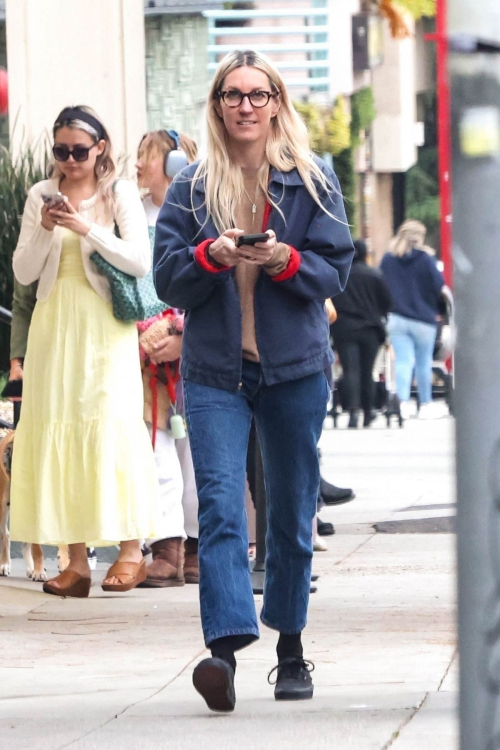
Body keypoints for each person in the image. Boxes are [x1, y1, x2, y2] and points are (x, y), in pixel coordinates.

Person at [154, 50, 354, 712]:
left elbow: (334, 271)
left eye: (258, 94)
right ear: (216, 106)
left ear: (276, 103)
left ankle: (291, 648)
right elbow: (166, 276)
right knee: (217, 504)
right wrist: (207, 258)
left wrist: (285, 259)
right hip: (213, 370)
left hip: (294, 368)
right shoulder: (190, 188)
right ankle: (223, 650)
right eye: (232, 95)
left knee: (292, 510)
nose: (246, 105)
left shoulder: (312, 179)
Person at [10, 105, 165, 597]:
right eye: (61, 151)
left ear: (100, 148)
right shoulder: (41, 195)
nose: (70, 160)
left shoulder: (117, 192)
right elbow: (24, 272)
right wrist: (48, 227)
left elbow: (140, 261)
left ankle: (130, 550)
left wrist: (85, 229)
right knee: (58, 423)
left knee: (111, 423)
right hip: (53, 323)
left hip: (103, 326)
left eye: (79, 150)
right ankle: (75, 560)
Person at [135, 129, 200, 586]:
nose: (139, 166)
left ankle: (197, 548)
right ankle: (166, 544)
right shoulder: (132, 214)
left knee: (195, 456)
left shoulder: (200, 210)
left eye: (148, 157)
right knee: (156, 449)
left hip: (194, 347)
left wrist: (180, 328)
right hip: (145, 352)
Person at [380, 220, 445, 420]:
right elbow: (439, 285)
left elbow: (380, 284)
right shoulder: (426, 259)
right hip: (424, 319)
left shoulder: (388, 259)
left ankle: (403, 403)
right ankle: (425, 404)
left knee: (403, 361)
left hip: (397, 317)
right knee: (423, 362)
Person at [332, 239, 392, 428]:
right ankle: (369, 411)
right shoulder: (374, 275)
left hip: (344, 327)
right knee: (368, 371)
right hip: (370, 330)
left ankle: (353, 411)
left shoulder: (340, 275)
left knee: (350, 369)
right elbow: (388, 303)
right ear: (366, 254)